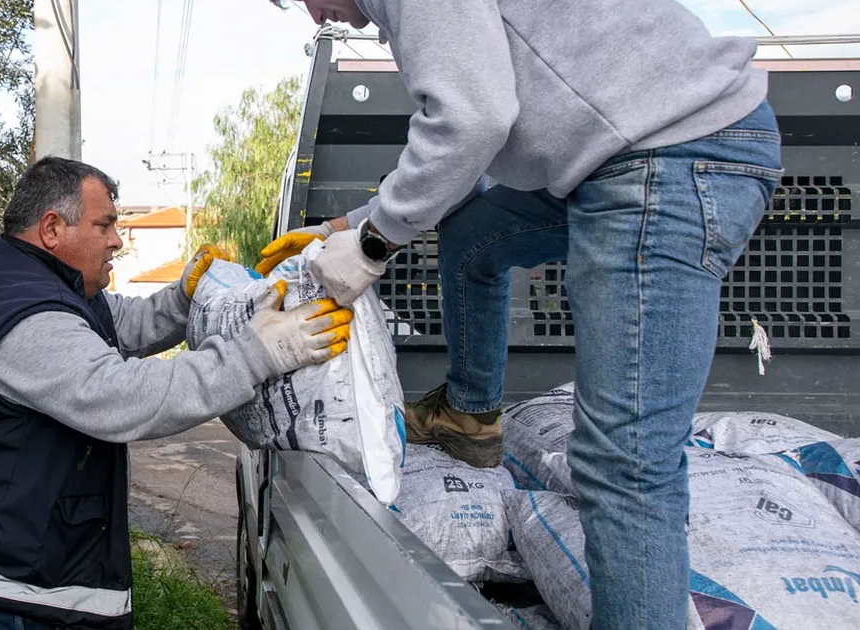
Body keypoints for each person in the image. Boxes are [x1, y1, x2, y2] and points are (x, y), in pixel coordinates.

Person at [260, 1, 782, 627]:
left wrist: (373, 245)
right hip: (612, 162)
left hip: (668, 156)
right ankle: (472, 416)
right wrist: (347, 226)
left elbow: (471, 122)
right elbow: (469, 149)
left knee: (624, 464)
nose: (321, 17)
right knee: (472, 235)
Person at [0, 156, 353, 629]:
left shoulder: (30, 279)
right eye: (105, 225)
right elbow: (126, 398)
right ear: (52, 229)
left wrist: (180, 297)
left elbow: (116, 323)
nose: (117, 241)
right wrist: (257, 354)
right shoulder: (27, 320)